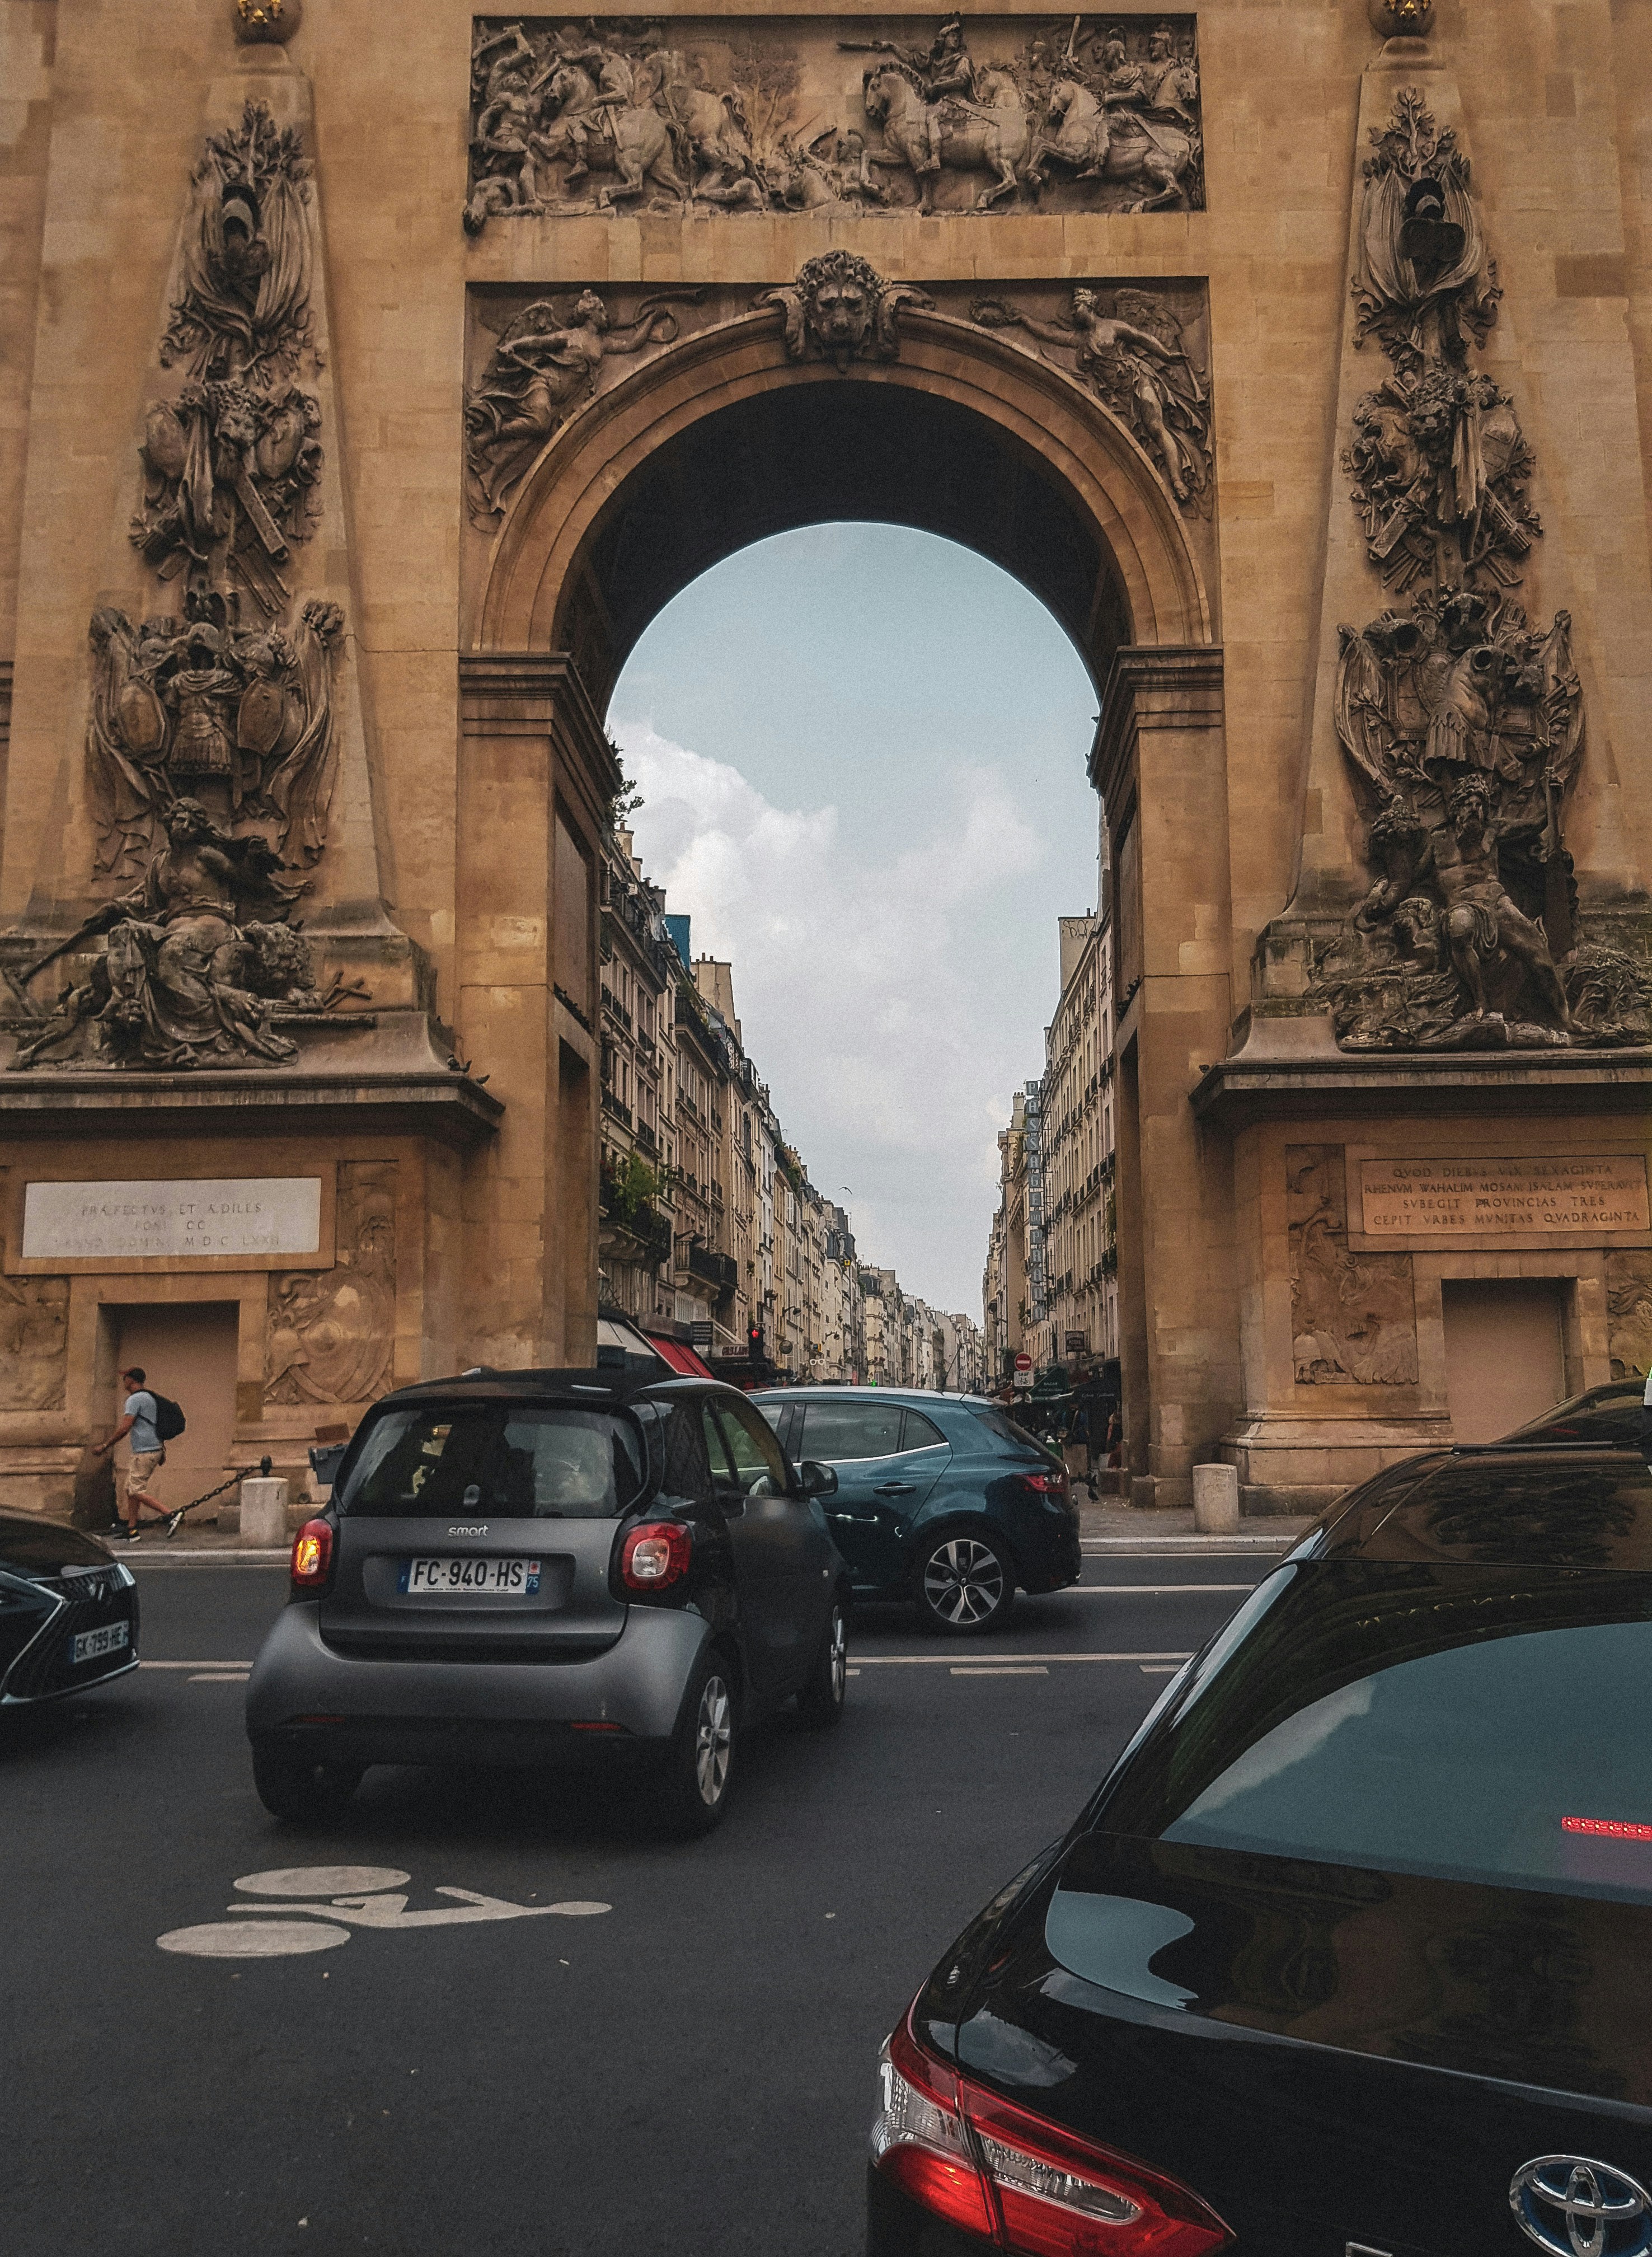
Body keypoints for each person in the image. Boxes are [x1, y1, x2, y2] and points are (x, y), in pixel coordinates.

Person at [93, 1365, 181, 1541]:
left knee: (135, 1490)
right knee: (130, 1489)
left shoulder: (134, 1400)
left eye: (125, 1377)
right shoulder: (149, 1397)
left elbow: (125, 1427)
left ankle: (171, 1514)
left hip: (144, 1452)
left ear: (132, 1380)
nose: (123, 1381)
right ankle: (132, 1529)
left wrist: (105, 1446)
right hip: (152, 1449)